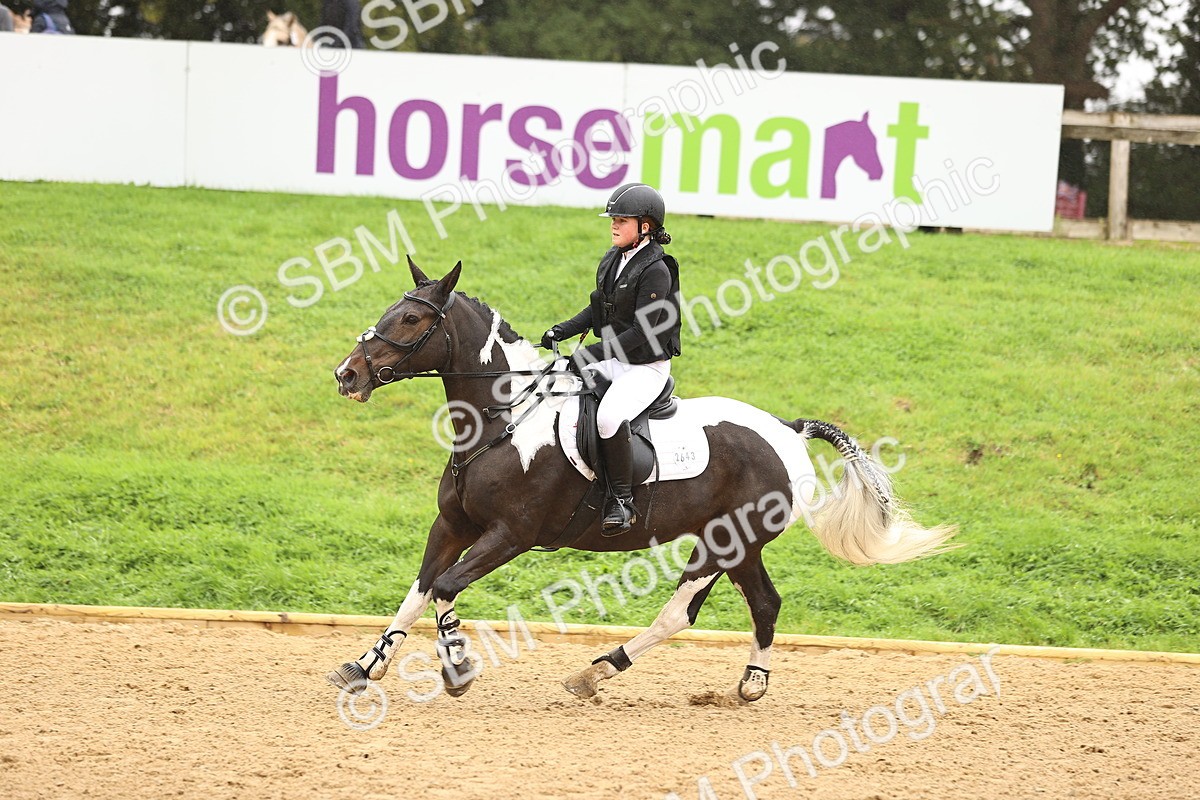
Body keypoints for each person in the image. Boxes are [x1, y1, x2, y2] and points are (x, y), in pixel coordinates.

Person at [542, 183, 682, 535]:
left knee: (608, 417)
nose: (614, 226)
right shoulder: (613, 259)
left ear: (645, 227)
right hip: (613, 358)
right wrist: (563, 330)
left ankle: (621, 501)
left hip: (644, 367)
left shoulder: (656, 270)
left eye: (622, 220)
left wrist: (590, 354)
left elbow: (641, 333)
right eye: (613, 220)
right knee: (554, 382)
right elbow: (597, 308)